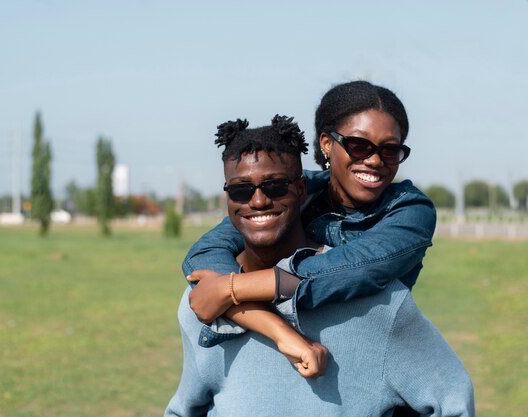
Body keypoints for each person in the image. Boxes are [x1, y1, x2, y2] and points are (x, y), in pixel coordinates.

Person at [165, 115, 475, 416]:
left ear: (300, 191)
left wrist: (232, 290)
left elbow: (453, 401)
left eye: (274, 186)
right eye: (241, 190)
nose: (258, 201)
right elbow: (185, 408)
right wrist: (279, 331)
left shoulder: (381, 305)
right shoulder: (201, 302)